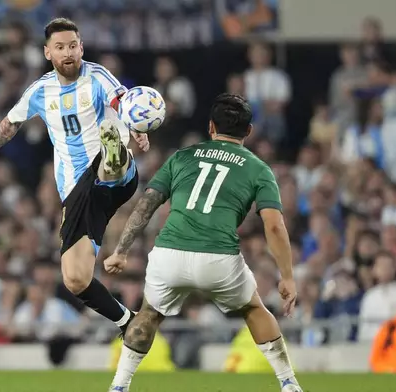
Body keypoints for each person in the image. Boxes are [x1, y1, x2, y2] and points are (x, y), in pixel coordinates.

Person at [0, 18, 149, 335]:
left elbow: (123, 101)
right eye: (60, 47)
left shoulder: (98, 77)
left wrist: (136, 127)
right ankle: (128, 321)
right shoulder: (40, 90)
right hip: (78, 194)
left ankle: (115, 151)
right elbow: (10, 123)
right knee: (75, 279)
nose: (68, 53)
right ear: (48, 53)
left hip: (115, 176)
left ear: (81, 47)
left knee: (107, 149)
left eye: (73, 46)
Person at [103, 94, 303, 392]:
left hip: (170, 253)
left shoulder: (182, 156)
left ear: (211, 126)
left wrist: (121, 251)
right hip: (218, 259)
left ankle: (119, 385)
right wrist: (286, 275)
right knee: (254, 309)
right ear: (248, 131)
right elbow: (273, 225)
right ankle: (288, 384)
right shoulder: (259, 169)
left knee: (149, 313)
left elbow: (146, 205)